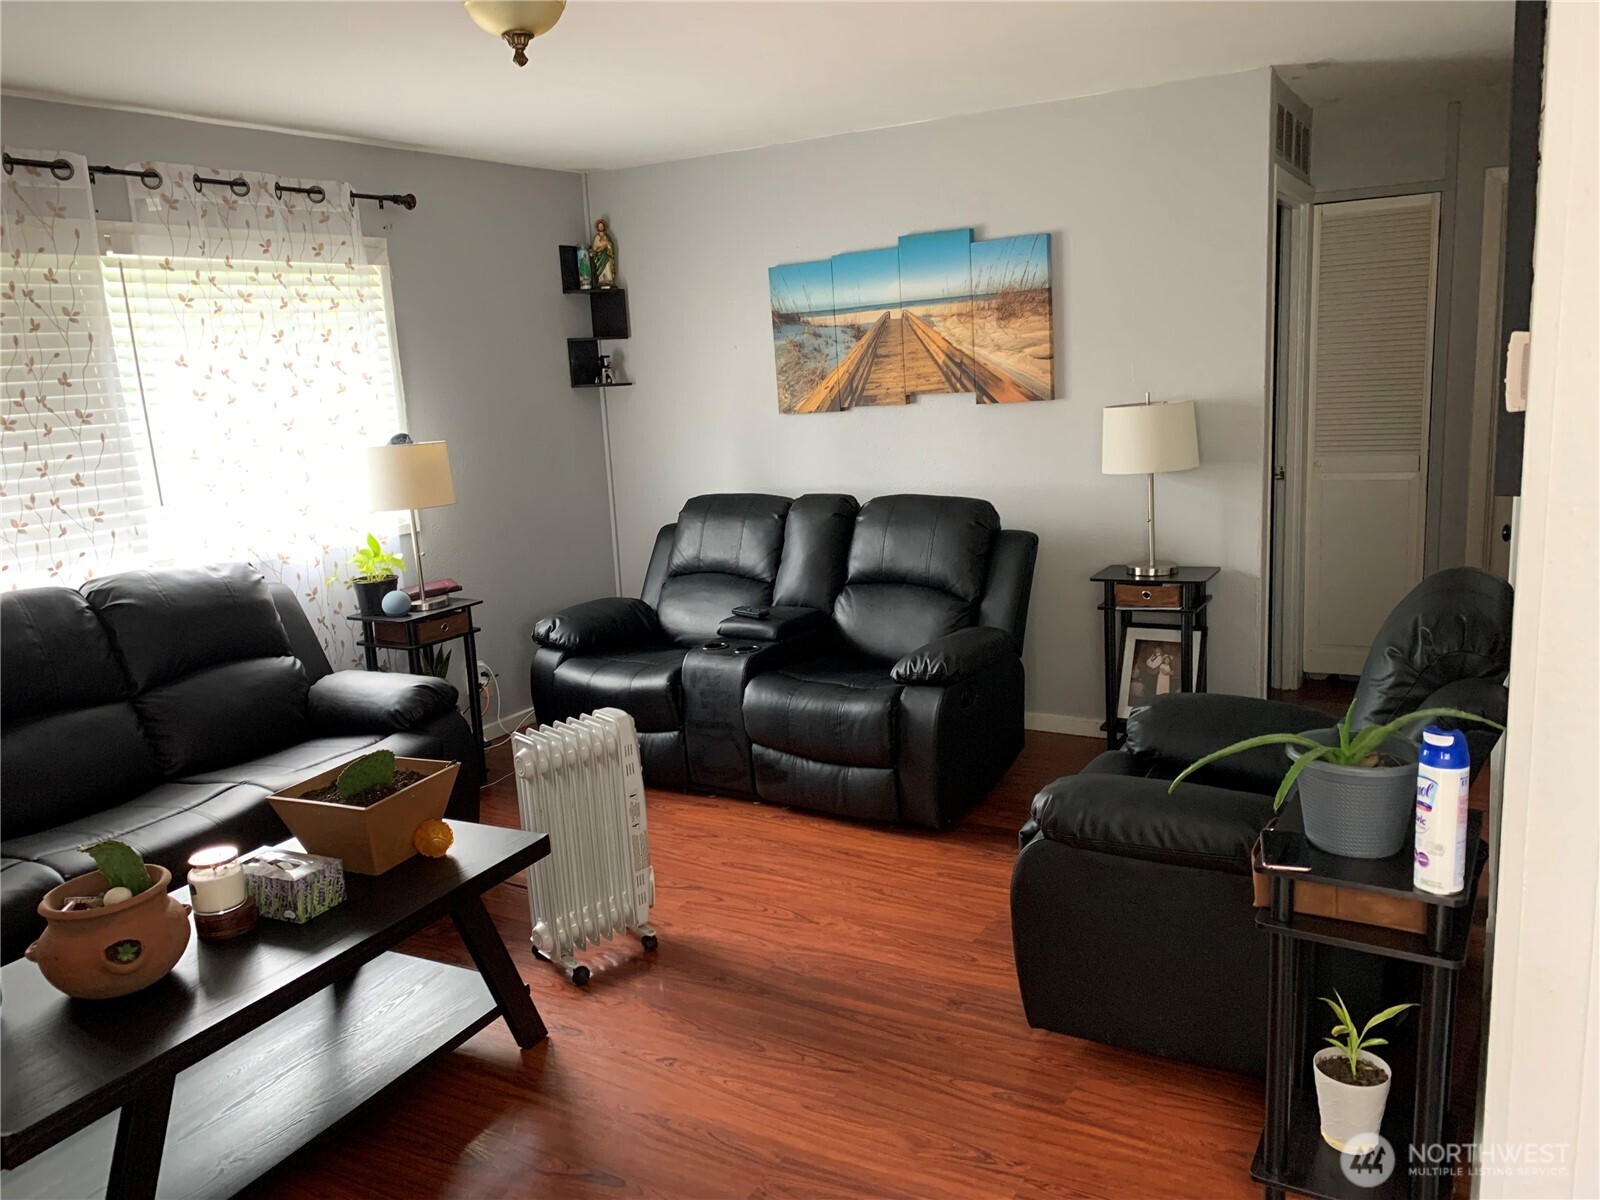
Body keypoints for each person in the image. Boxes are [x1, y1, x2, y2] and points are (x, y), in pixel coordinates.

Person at [590, 219, 617, 288]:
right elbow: (594, 249)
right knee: (600, 269)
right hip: (599, 257)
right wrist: (592, 253)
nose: (601, 227)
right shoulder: (596, 238)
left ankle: (609, 280)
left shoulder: (607, 237)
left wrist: (608, 245)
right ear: (598, 228)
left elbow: (611, 245)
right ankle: (601, 280)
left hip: (607, 255)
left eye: (602, 226)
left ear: (604, 227)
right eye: (599, 226)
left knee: (608, 266)